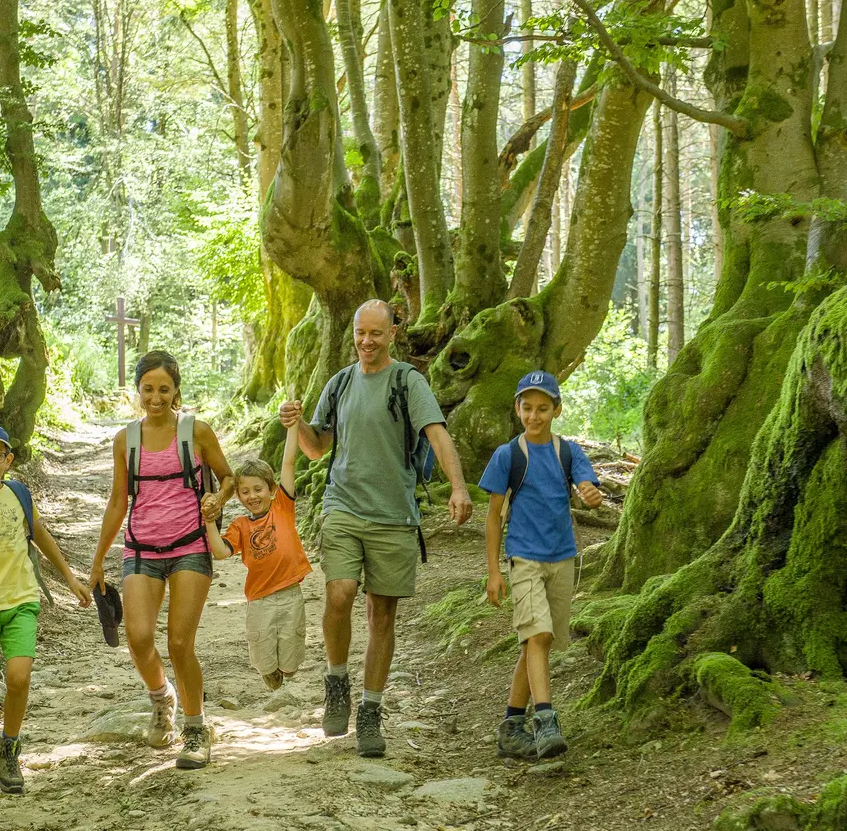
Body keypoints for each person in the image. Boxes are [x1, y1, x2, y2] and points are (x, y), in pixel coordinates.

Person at [280, 300, 472, 758]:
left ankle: (370, 710)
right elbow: (315, 448)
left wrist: (459, 488)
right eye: (360, 333)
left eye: (376, 334)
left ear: (392, 334)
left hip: (394, 516)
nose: (367, 342)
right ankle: (337, 681)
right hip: (343, 506)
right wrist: (298, 423)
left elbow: (437, 435)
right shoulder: (341, 382)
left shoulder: (409, 381)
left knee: (381, 615)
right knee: (340, 593)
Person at [0, 421, 92, 828]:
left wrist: (71, 578)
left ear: (8, 460)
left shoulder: (19, 494)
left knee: (19, 676)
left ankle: (8, 748)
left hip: (21, 600)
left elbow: (41, 537)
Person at [88, 350, 234, 770]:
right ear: (138, 390)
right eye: (148, 389)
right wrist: (99, 559)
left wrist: (218, 498)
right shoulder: (126, 439)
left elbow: (229, 477)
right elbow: (118, 501)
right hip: (141, 548)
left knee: (179, 642)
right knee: (137, 638)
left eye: (163, 389)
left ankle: (194, 729)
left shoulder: (196, 431)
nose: (155, 398)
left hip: (190, 545)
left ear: (176, 391)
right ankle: (161, 698)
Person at [479, 372, 602, 761]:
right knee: (539, 636)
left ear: (557, 410)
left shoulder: (568, 451)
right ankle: (546, 720)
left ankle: (512, 727)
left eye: (543, 409)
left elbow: (587, 487)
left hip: (563, 557)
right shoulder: (509, 455)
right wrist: (494, 572)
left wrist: (590, 493)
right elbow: (494, 515)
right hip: (525, 558)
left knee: (539, 642)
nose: (534, 416)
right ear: (517, 409)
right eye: (527, 408)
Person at [205, 408, 311, 691]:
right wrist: (209, 523)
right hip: (259, 600)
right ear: (238, 495)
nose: (252, 496)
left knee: (291, 656)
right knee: (263, 654)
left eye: (258, 489)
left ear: (271, 489)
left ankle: (285, 669)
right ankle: (269, 671)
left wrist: (293, 425)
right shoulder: (240, 525)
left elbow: (288, 462)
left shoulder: (282, 507)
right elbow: (221, 552)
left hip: (290, 594)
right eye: (245, 491)